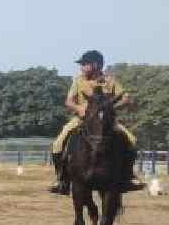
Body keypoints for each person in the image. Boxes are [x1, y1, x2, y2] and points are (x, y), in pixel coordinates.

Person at [49, 50, 144, 194]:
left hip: (105, 121)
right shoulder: (78, 80)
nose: (81, 67)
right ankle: (61, 179)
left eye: (84, 65)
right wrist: (79, 108)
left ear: (95, 65)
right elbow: (68, 101)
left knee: (132, 140)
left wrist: (111, 107)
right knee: (57, 144)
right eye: (81, 65)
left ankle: (128, 176)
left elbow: (126, 98)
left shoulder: (109, 81)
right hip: (81, 119)